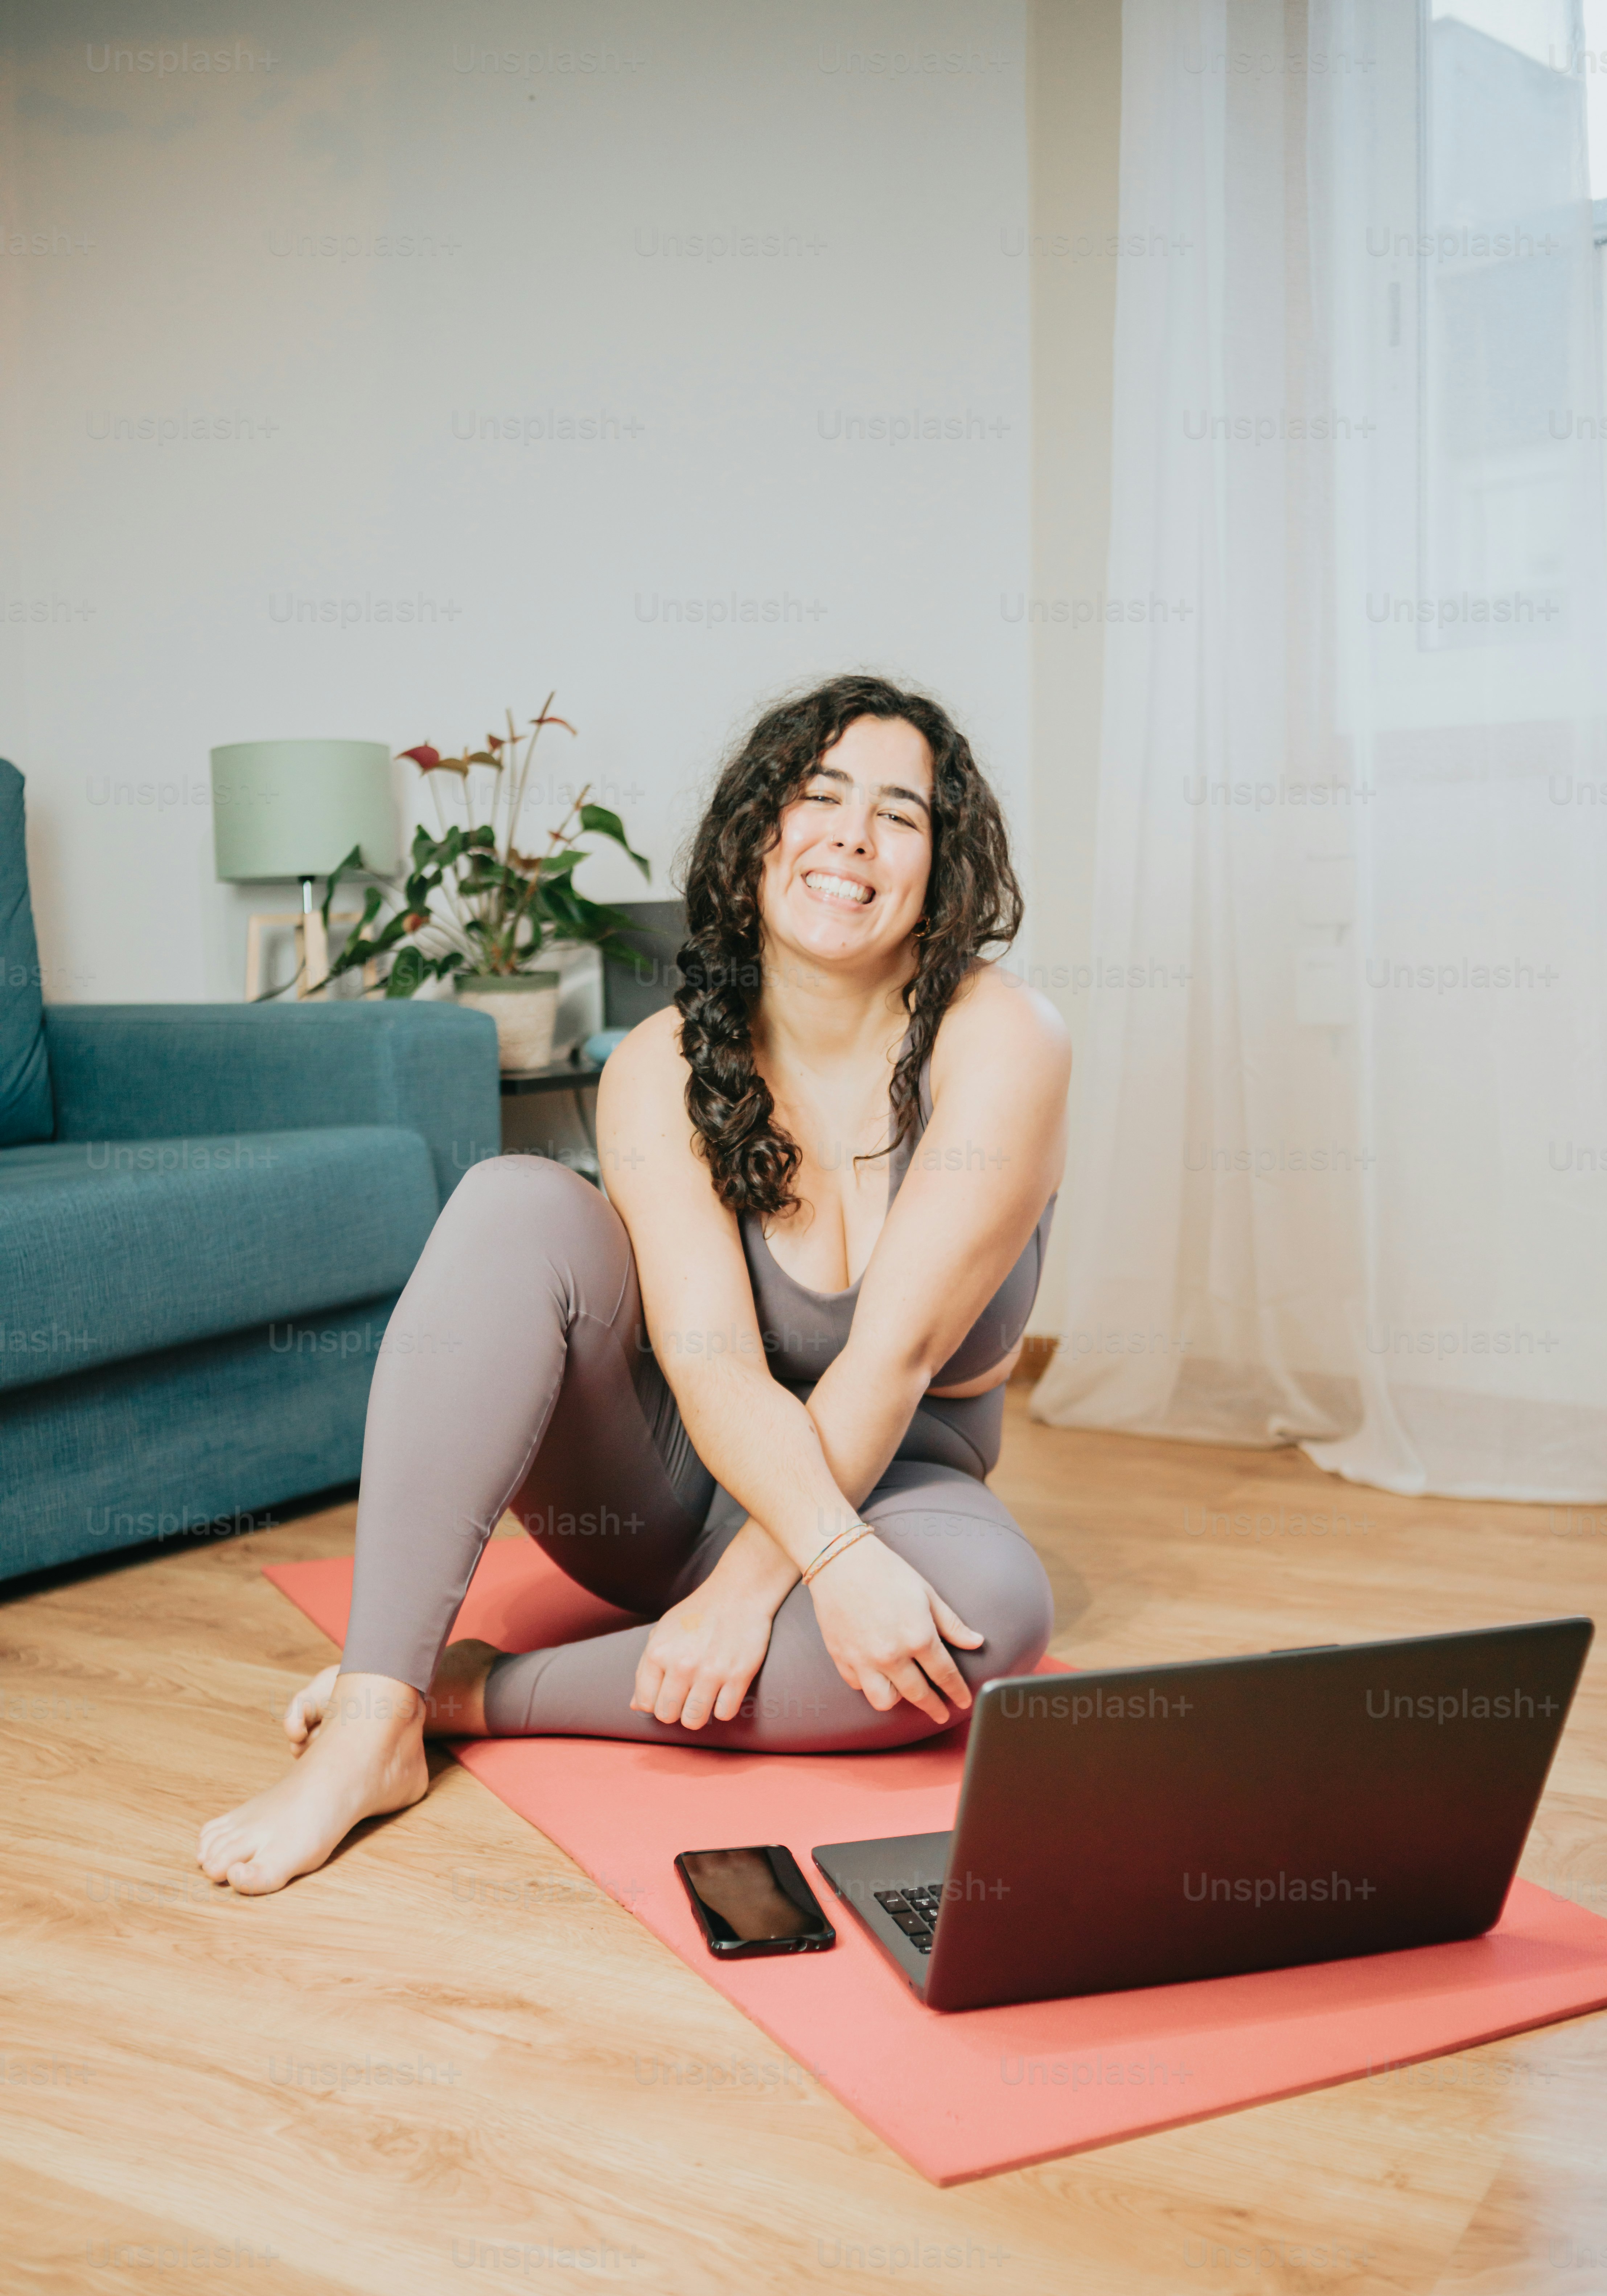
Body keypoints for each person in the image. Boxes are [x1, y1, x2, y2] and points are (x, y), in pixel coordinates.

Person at [197, 675, 1070, 1895]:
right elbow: (709, 1361)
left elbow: (894, 1361)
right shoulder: (663, 1061)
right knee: (515, 1202)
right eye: (819, 796)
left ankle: (476, 1697)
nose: (852, 839)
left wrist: (782, 1576)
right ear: (760, 828)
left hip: (899, 1490)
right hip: (667, 1492)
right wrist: (781, 1572)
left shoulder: (1005, 1037)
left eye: (901, 815)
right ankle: (369, 1719)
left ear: (944, 865)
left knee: (988, 1616)